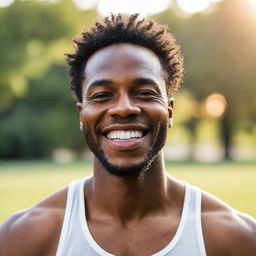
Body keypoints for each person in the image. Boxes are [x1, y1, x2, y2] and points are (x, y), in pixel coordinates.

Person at [0, 13, 255, 256]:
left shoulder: (236, 239)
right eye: (101, 96)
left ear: (169, 110)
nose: (124, 108)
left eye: (144, 92)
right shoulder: (22, 239)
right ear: (82, 114)